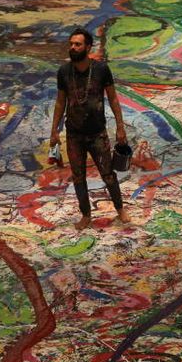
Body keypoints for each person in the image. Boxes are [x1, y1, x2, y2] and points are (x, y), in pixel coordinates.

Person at [49, 27, 131, 230]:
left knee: (108, 173)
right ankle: (86, 215)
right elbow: (60, 102)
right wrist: (54, 131)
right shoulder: (64, 72)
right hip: (74, 134)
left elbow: (113, 98)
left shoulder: (101, 70)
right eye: (71, 44)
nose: (73, 47)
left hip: (97, 133)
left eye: (77, 44)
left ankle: (120, 208)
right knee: (78, 176)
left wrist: (120, 127)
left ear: (88, 47)